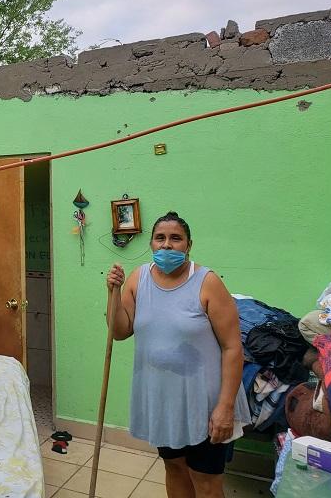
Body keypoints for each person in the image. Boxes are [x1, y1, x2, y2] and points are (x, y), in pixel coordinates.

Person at [105, 211, 250, 498]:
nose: (167, 245)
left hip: (205, 404)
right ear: (151, 244)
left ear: (189, 245)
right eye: (160, 238)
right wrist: (113, 292)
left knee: (205, 481)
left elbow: (233, 348)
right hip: (163, 401)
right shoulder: (138, 279)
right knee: (174, 469)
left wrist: (225, 407)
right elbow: (120, 331)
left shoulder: (207, 282)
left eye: (176, 238)